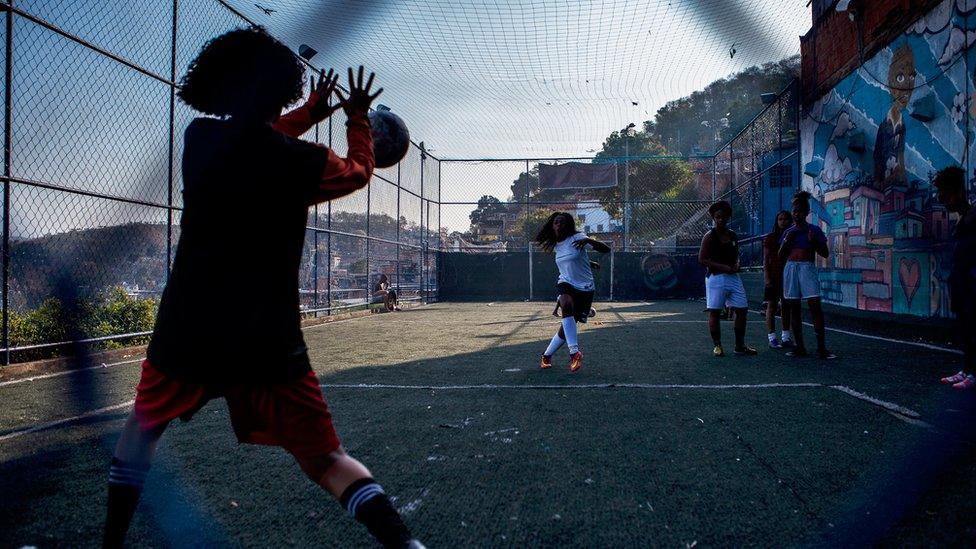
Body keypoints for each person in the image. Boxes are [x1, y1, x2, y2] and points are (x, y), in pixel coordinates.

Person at [102, 28, 422, 549]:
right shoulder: (303, 162)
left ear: (218, 85)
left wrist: (309, 117)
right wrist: (355, 118)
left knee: (140, 435)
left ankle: (109, 545)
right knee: (327, 460)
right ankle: (406, 545)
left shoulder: (198, 140)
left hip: (188, 327)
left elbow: (254, 136)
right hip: (265, 338)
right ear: (284, 91)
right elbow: (361, 170)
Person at [535, 212, 610, 371]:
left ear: (568, 225)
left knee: (565, 329)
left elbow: (606, 249)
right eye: (556, 222)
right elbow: (569, 261)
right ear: (552, 225)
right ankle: (574, 353)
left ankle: (546, 356)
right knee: (566, 304)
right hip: (566, 282)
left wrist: (589, 241)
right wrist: (587, 262)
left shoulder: (578, 237)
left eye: (562, 222)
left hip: (585, 287)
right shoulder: (556, 244)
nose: (558, 225)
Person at [778, 191, 836, 360]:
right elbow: (780, 256)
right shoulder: (788, 232)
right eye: (794, 211)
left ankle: (821, 348)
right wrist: (787, 241)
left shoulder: (814, 230)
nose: (797, 214)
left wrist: (814, 241)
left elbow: (825, 253)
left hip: (807, 267)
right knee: (794, 307)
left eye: (800, 211)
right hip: (791, 268)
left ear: (806, 212)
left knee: (814, 306)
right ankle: (800, 347)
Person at [934, 166, 976, 389]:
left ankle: (973, 372)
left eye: (946, 195)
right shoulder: (963, 220)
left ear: (958, 192)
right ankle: (967, 369)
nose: (944, 201)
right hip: (961, 282)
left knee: (972, 327)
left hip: (971, 283)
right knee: (965, 328)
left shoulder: (972, 217)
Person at [698, 200, 757, 357]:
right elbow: (702, 259)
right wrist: (724, 267)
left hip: (733, 277)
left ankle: (740, 345)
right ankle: (717, 346)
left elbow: (735, 255)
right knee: (715, 311)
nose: (720, 220)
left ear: (728, 217)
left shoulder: (733, 235)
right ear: (713, 218)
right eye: (717, 217)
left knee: (742, 310)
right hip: (715, 278)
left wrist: (736, 265)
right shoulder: (709, 237)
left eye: (723, 217)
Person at [763, 210, 794, 349]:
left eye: (786, 219)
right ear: (777, 221)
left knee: (786, 306)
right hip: (774, 275)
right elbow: (765, 259)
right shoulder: (770, 237)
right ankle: (772, 338)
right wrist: (767, 277)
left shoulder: (793, 236)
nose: (783, 221)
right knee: (772, 306)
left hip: (788, 276)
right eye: (780, 219)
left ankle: (786, 337)